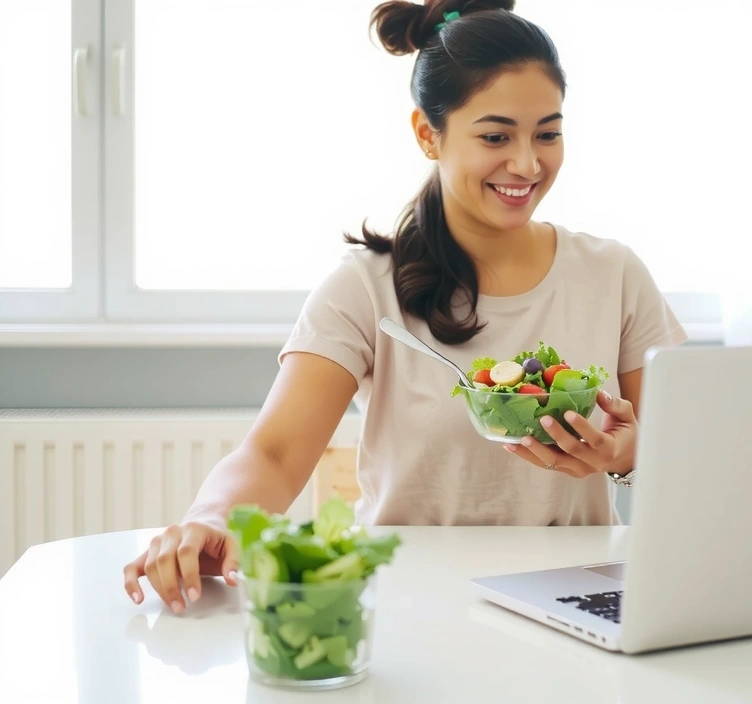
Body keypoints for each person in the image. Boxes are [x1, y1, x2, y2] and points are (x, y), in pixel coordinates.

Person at [123, 0, 687, 613]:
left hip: (575, 596)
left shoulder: (613, 274)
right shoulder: (365, 288)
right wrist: (211, 518)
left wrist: (629, 455)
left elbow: (689, 450)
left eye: (547, 134)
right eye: (496, 136)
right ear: (427, 133)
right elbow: (275, 455)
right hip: (410, 601)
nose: (528, 164)